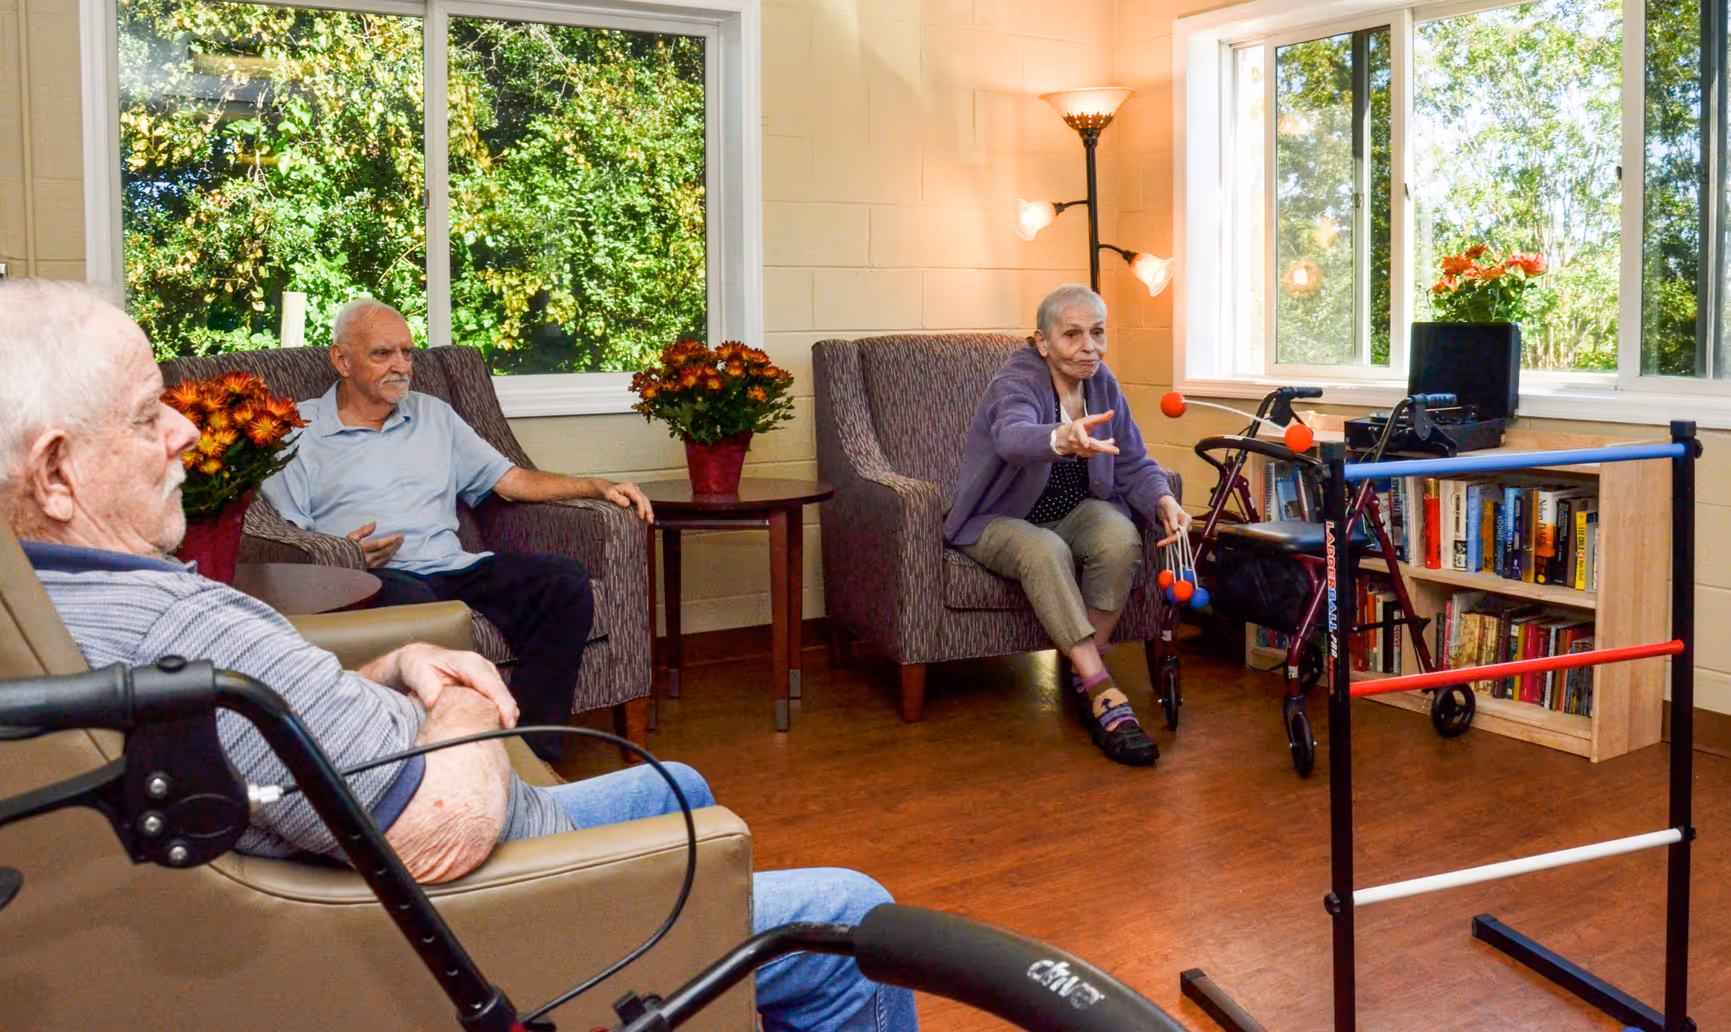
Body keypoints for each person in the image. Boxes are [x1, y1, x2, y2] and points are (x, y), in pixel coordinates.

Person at [0, 279, 915, 1032]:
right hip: (450, 863)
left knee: (671, 772)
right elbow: (435, 832)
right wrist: (463, 698)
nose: (185, 433)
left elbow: (250, 724)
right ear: (53, 472)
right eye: (147, 414)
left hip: (439, 637)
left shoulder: (62, 606)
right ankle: (671, 919)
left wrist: (397, 668)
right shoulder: (189, 614)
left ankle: (560, 771)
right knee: (853, 909)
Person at [259, 297, 652, 761]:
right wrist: (343, 556)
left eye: (407, 353)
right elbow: (288, 533)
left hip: (453, 565)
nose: (401, 366)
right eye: (382, 354)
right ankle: (452, 759)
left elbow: (512, 480)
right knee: (418, 609)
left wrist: (596, 485)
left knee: (563, 584)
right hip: (373, 578)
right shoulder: (298, 427)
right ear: (341, 360)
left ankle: (532, 754)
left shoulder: (434, 415)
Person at [945, 284, 1191, 766]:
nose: (1089, 347)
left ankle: (1084, 665)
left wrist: (1162, 499)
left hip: (1071, 514)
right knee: (1045, 550)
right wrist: (1061, 436)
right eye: (1073, 334)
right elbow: (1013, 437)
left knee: (1119, 534)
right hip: (998, 519)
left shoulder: (1103, 383)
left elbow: (1133, 461)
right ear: (1042, 341)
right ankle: (1102, 691)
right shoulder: (1016, 381)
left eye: (1098, 333)